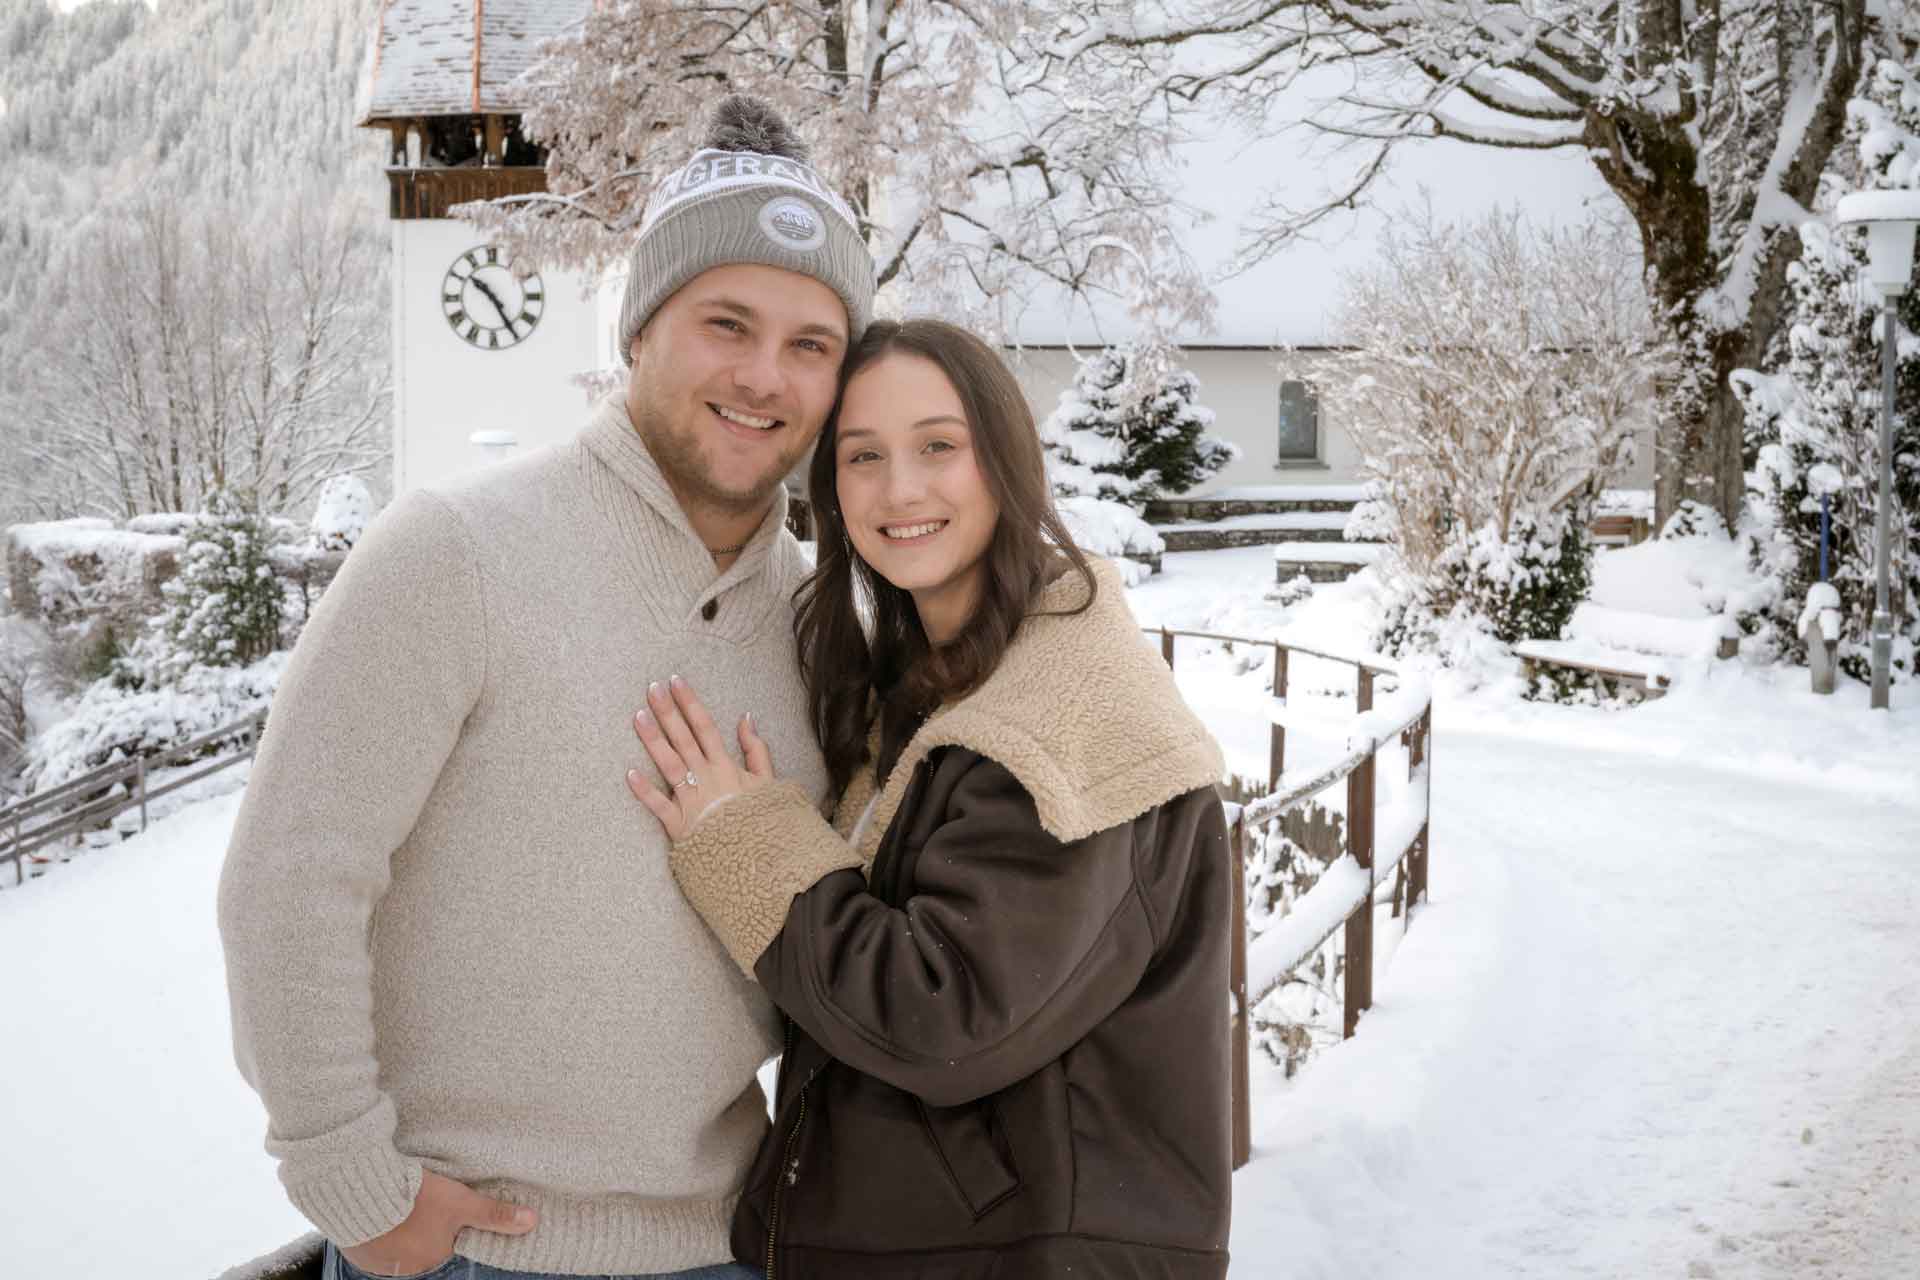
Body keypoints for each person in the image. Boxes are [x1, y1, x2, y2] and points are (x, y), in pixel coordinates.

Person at [216, 96, 874, 1280]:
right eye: (727, 321)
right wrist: (357, 1189)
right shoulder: (455, 551)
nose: (765, 375)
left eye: (810, 344)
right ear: (640, 328)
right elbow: (288, 881)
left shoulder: (831, 615)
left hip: (738, 1244)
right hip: (470, 1252)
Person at [625, 318, 1234, 1279]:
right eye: (863, 457)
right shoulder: (928, 689)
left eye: (938, 447)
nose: (900, 489)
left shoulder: (1067, 710)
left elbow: (940, 1017)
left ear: (1003, 461)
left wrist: (742, 839)